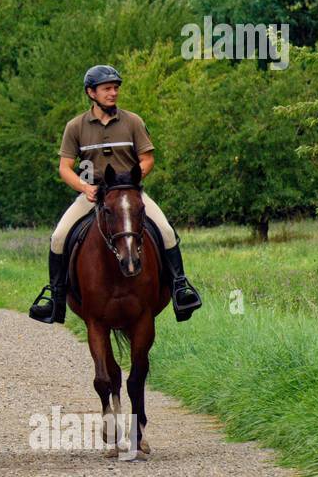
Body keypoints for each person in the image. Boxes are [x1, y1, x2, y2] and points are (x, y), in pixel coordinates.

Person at [28, 65, 203, 324]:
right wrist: (84, 187)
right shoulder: (75, 126)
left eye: (116, 88)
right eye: (107, 89)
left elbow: (147, 159)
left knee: (166, 231)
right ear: (91, 92)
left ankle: (179, 288)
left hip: (129, 194)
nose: (113, 93)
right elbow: (64, 168)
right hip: (93, 194)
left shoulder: (133, 121)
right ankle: (56, 298)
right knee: (58, 236)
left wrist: (130, 182)